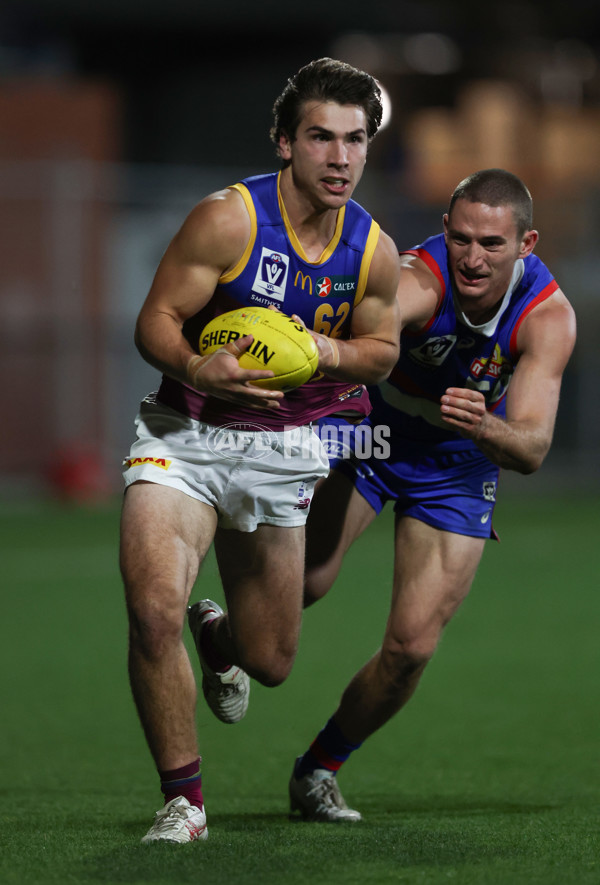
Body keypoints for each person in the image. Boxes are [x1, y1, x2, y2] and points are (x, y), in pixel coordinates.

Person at [119, 57, 401, 844]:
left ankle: (219, 640)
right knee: (150, 612)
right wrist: (193, 364)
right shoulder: (229, 219)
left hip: (286, 450)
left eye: (355, 140)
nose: (340, 157)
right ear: (285, 141)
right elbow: (155, 320)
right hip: (188, 435)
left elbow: (380, 350)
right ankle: (184, 801)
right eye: (321, 137)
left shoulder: (372, 248)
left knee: (271, 658)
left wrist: (324, 351)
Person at [283, 168, 577, 821]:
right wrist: (315, 344)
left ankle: (318, 770)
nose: (473, 258)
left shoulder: (549, 316)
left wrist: (485, 424)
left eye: (493, 244)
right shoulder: (422, 277)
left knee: (412, 649)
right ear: (445, 230)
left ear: (526, 242)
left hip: (458, 462)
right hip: (375, 432)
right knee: (303, 585)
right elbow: (383, 315)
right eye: (462, 238)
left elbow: (530, 448)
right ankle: (230, 631)